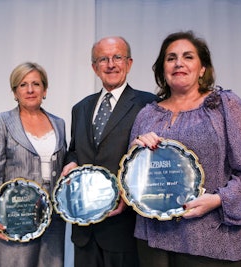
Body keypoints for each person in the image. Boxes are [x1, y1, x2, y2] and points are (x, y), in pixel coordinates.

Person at [130, 31, 241, 267]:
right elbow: (133, 180)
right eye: (171, 58)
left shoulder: (225, 106)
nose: (178, 63)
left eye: (188, 57)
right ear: (163, 68)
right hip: (154, 244)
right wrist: (136, 152)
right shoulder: (147, 114)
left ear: (202, 68)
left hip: (213, 241)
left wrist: (217, 200)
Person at [61, 36, 158, 267]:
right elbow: (74, 150)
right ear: (95, 68)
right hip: (84, 229)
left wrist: (127, 193)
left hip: (123, 227)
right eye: (103, 59)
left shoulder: (149, 104)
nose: (111, 64)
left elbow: (151, 163)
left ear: (129, 63)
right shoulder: (81, 107)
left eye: (117, 57)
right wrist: (71, 162)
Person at [0, 62, 67, 267]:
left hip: (52, 219)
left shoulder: (59, 123)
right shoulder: (1, 121)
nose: (30, 89)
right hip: (14, 215)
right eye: (23, 84)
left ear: (44, 90)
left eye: (36, 84)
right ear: (15, 91)